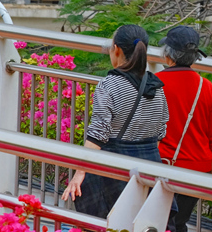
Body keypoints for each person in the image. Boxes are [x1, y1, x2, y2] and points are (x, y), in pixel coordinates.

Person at [61, 24, 169, 218]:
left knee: (107, 227)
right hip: (149, 170)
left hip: (113, 171)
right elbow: (160, 131)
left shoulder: (109, 85)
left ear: (116, 49)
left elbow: (98, 134)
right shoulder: (156, 86)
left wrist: (79, 173)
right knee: (142, 229)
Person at [156, 26, 212, 232]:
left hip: (163, 164)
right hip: (196, 169)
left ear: (168, 54)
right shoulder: (206, 86)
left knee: (158, 220)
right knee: (180, 222)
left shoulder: (155, 83)